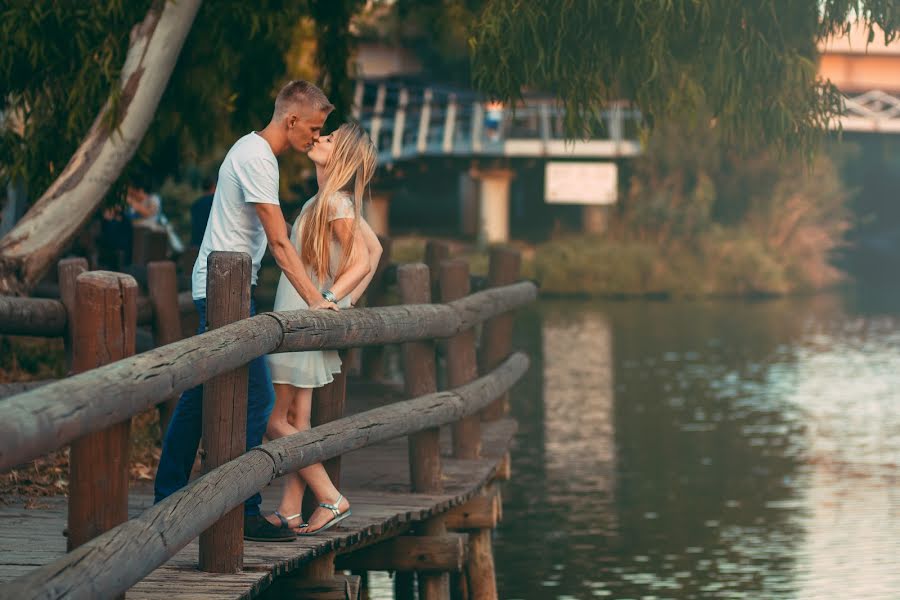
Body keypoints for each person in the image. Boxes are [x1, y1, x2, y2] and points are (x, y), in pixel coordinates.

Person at [153, 80, 337, 543]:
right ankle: (245, 507)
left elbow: (283, 235)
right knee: (258, 399)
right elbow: (278, 241)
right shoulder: (257, 157)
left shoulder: (256, 155)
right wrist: (316, 301)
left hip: (225, 289)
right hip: (223, 293)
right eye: (313, 129)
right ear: (291, 119)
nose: (315, 138)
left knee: (201, 398)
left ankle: (167, 499)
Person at [264, 122, 383, 536]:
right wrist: (342, 303)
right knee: (297, 417)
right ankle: (291, 509)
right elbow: (377, 251)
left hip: (302, 316)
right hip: (306, 314)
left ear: (342, 156)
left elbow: (361, 263)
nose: (320, 138)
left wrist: (333, 301)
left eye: (329, 138)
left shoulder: (334, 202)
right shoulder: (327, 199)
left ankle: (330, 497)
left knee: (271, 416)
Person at [190, 176, 217, 247]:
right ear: (214, 187)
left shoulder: (195, 205)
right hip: (212, 244)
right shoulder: (216, 203)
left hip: (195, 245)